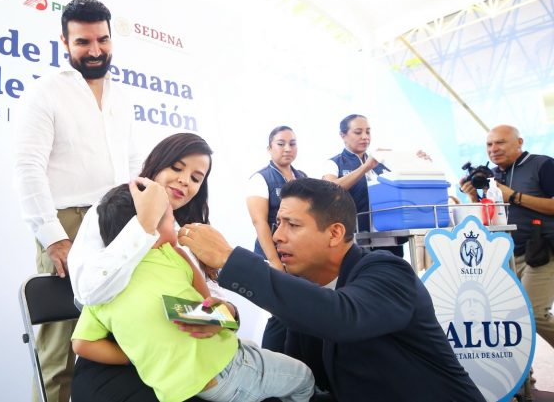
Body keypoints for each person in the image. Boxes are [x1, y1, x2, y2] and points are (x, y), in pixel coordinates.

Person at [178, 178, 484, 402]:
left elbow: (342, 316)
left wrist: (230, 259)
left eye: (292, 225)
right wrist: (220, 323)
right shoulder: (298, 299)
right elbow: (281, 377)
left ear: (335, 233)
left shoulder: (388, 271)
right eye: (277, 223)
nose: (277, 236)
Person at [71, 182, 315, 402]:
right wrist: (182, 253)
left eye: (196, 178)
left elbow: (81, 344)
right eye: (171, 220)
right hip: (225, 371)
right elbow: (209, 305)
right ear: (151, 228)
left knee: (250, 348)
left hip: (175, 390)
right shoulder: (170, 254)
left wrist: (130, 355)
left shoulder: (98, 290)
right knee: (304, 379)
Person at [14, 0, 142, 402]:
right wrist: (53, 238)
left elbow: (133, 164)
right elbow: (28, 167)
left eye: (102, 39)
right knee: (59, 352)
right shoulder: (45, 92)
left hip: (118, 224)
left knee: (119, 341)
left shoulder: (123, 97)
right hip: (67, 225)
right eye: (83, 42)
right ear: (64, 42)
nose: (95, 50)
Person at [68, 132, 223, 402]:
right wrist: (145, 225)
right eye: (176, 168)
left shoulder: (191, 233)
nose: (184, 180)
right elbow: (87, 293)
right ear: (156, 164)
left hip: (180, 358)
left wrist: (224, 316)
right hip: (118, 359)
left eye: (196, 178)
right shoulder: (109, 210)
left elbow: (209, 306)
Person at [460, 125, 554, 353]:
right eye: (489, 144)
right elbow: (488, 218)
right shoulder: (489, 175)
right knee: (508, 316)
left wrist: (513, 196)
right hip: (506, 254)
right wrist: (473, 196)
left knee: (532, 311)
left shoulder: (542, 164)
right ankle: (521, 373)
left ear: (519, 142)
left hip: (543, 251)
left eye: (500, 142)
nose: (494, 149)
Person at [321, 114, 429, 257]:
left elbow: (404, 186)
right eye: (358, 132)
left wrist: (417, 163)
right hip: (354, 240)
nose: (365, 137)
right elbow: (329, 190)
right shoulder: (334, 163)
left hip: (389, 237)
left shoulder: (382, 163)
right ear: (343, 135)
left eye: (368, 132)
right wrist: (365, 167)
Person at [245, 126, 307, 352]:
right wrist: (274, 262)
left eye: (292, 143)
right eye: (281, 144)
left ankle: (300, 362)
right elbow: (259, 222)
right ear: (269, 148)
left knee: (301, 314)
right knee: (280, 316)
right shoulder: (261, 178)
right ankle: (271, 363)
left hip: (299, 256)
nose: (287, 148)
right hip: (274, 256)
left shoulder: (302, 177)